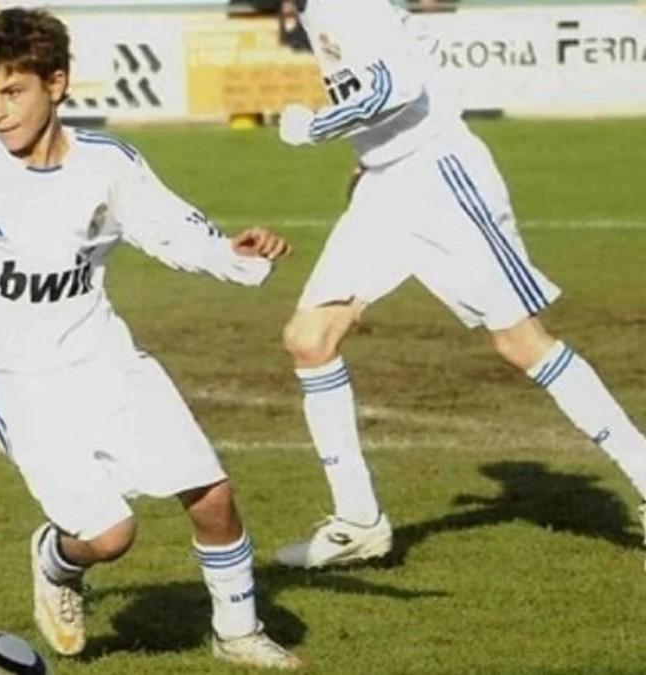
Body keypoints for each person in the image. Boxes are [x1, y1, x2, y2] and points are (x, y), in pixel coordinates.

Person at [0, 8, 300, 670]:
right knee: (110, 535)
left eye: (12, 91)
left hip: (105, 357)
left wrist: (239, 252)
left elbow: (173, 231)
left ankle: (238, 631)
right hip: (19, 382)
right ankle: (57, 561)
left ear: (57, 83)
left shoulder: (108, 164)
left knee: (213, 497)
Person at [274, 0, 646, 569]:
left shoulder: (347, 6)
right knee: (310, 338)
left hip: (439, 177)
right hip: (387, 183)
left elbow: (397, 88)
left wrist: (312, 127)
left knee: (522, 342)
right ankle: (359, 521)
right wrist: (363, 161)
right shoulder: (316, 10)